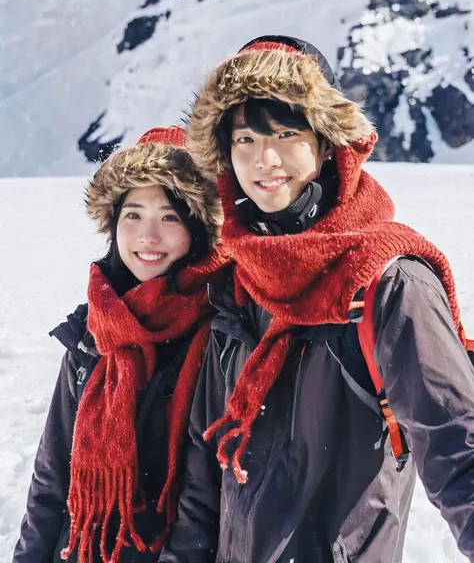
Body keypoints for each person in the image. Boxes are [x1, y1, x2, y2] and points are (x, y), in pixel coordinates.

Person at [159, 35, 474, 563]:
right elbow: (204, 472)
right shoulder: (238, 286)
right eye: (245, 140)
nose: (266, 158)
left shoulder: (386, 281)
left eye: (286, 132)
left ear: (327, 143)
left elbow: (459, 452)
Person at [13, 126, 225, 563]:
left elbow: (204, 501)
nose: (148, 237)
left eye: (169, 217)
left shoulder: (218, 334)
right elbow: (53, 480)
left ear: (197, 229)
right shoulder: (92, 331)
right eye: (133, 215)